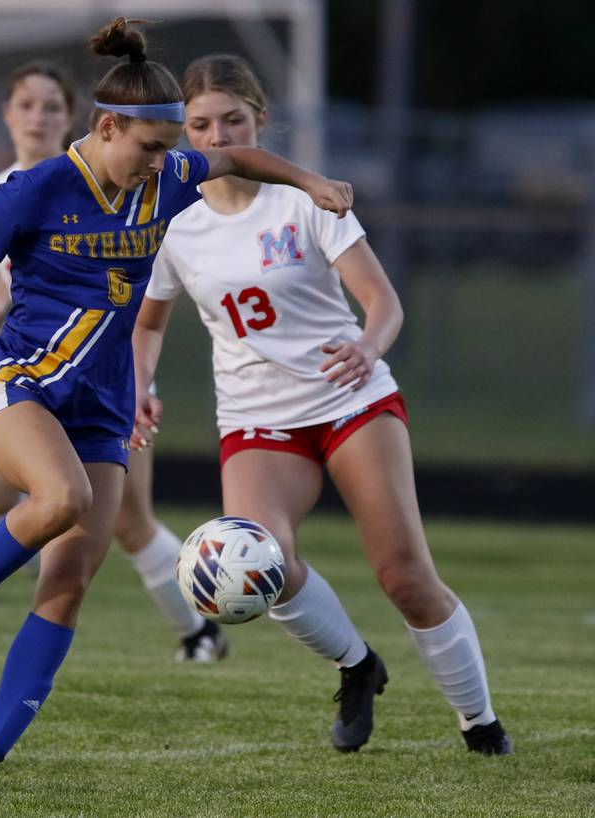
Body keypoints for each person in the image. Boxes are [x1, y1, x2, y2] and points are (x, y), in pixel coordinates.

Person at [0, 21, 353, 794]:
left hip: (104, 410)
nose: (162, 164)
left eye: (169, 150)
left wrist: (312, 184)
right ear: (106, 127)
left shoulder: (165, 175)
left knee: (70, 581)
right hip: (24, 386)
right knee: (60, 499)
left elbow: (237, 157)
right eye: (147, 147)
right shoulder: (41, 189)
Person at [133, 54, 512, 757]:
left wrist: (369, 346)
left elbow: (382, 302)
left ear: (262, 120)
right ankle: (357, 666)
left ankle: (480, 723)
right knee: (260, 562)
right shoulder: (173, 221)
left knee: (402, 573)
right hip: (256, 418)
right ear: (183, 132)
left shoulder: (302, 197)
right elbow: (148, 325)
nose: (218, 138)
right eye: (201, 125)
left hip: (349, 400)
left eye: (233, 121)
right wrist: (141, 386)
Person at [0, 60, 226, 663]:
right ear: (7, 114)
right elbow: (32, 276)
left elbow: (131, 292)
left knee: (130, 524)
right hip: (44, 368)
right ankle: (16, 585)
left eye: (51, 107)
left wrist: (141, 382)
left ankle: (200, 630)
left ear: (80, 120)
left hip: (112, 375)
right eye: (26, 105)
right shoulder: (7, 188)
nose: (38, 117)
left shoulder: (129, 182)